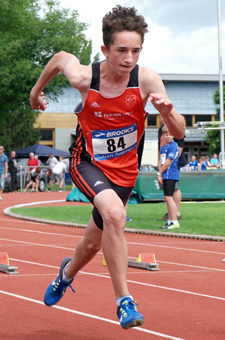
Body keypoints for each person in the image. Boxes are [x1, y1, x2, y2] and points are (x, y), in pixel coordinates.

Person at [30, 5, 185, 330]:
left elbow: (181, 132)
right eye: (121, 51)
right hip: (87, 163)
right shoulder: (85, 77)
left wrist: (168, 113)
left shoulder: (146, 79)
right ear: (105, 50)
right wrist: (35, 93)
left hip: (125, 173)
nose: (129, 58)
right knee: (115, 214)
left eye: (136, 50)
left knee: (92, 242)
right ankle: (124, 301)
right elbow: (60, 57)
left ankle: (65, 274)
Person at [157, 117, 186, 221]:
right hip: (164, 165)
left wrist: (165, 168)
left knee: (174, 190)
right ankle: (170, 215)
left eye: (163, 115)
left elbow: (178, 150)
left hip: (171, 166)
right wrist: (160, 167)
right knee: (167, 196)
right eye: (160, 116)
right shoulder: (161, 130)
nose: (161, 118)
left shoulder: (176, 128)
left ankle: (176, 215)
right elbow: (159, 149)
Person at [157, 126, 180, 229]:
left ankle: (175, 221)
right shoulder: (163, 147)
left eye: (170, 134)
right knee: (167, 198)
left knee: (169, 198)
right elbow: (161, 162)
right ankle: (170, 221)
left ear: (173, 135)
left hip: (171, 174)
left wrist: (159, 173)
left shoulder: (174, 145)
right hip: (165, 175)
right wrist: (161, 174)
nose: (168, 136)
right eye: (166, 134)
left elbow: (167, 162)